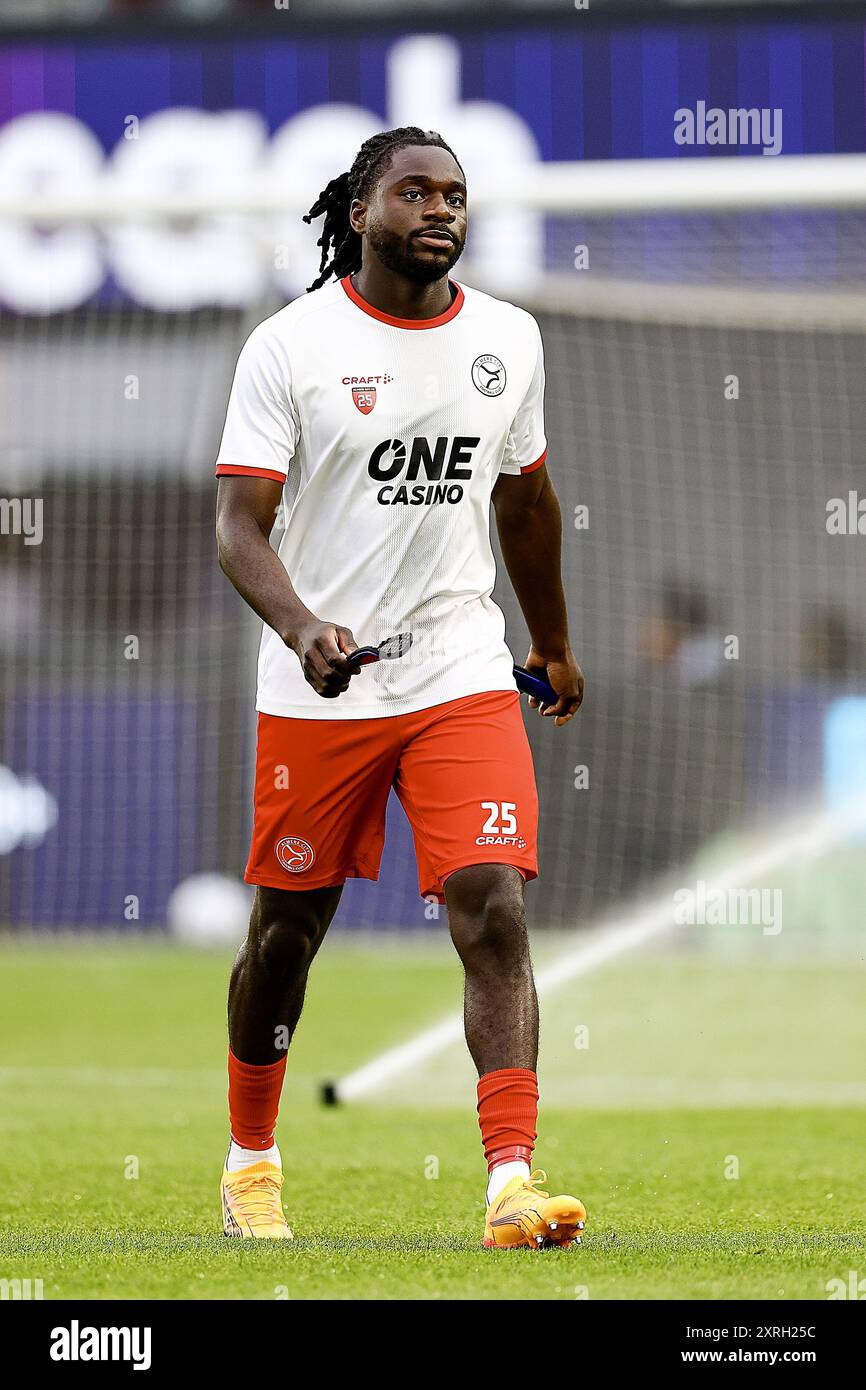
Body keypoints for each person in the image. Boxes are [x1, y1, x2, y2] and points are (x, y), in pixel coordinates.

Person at [214, 126, 586, 1249]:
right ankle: (250, 1165)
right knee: (285, 934)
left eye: (455, 195)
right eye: (414, 192)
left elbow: (524, 500)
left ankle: (510, 1183)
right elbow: (238, 524)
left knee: (492, 905)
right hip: (317, 684)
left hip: (460, 668)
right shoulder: (291, 346)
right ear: (360, 210)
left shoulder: (508, 340)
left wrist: (552, 642)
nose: (440, 210)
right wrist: (301, 625)